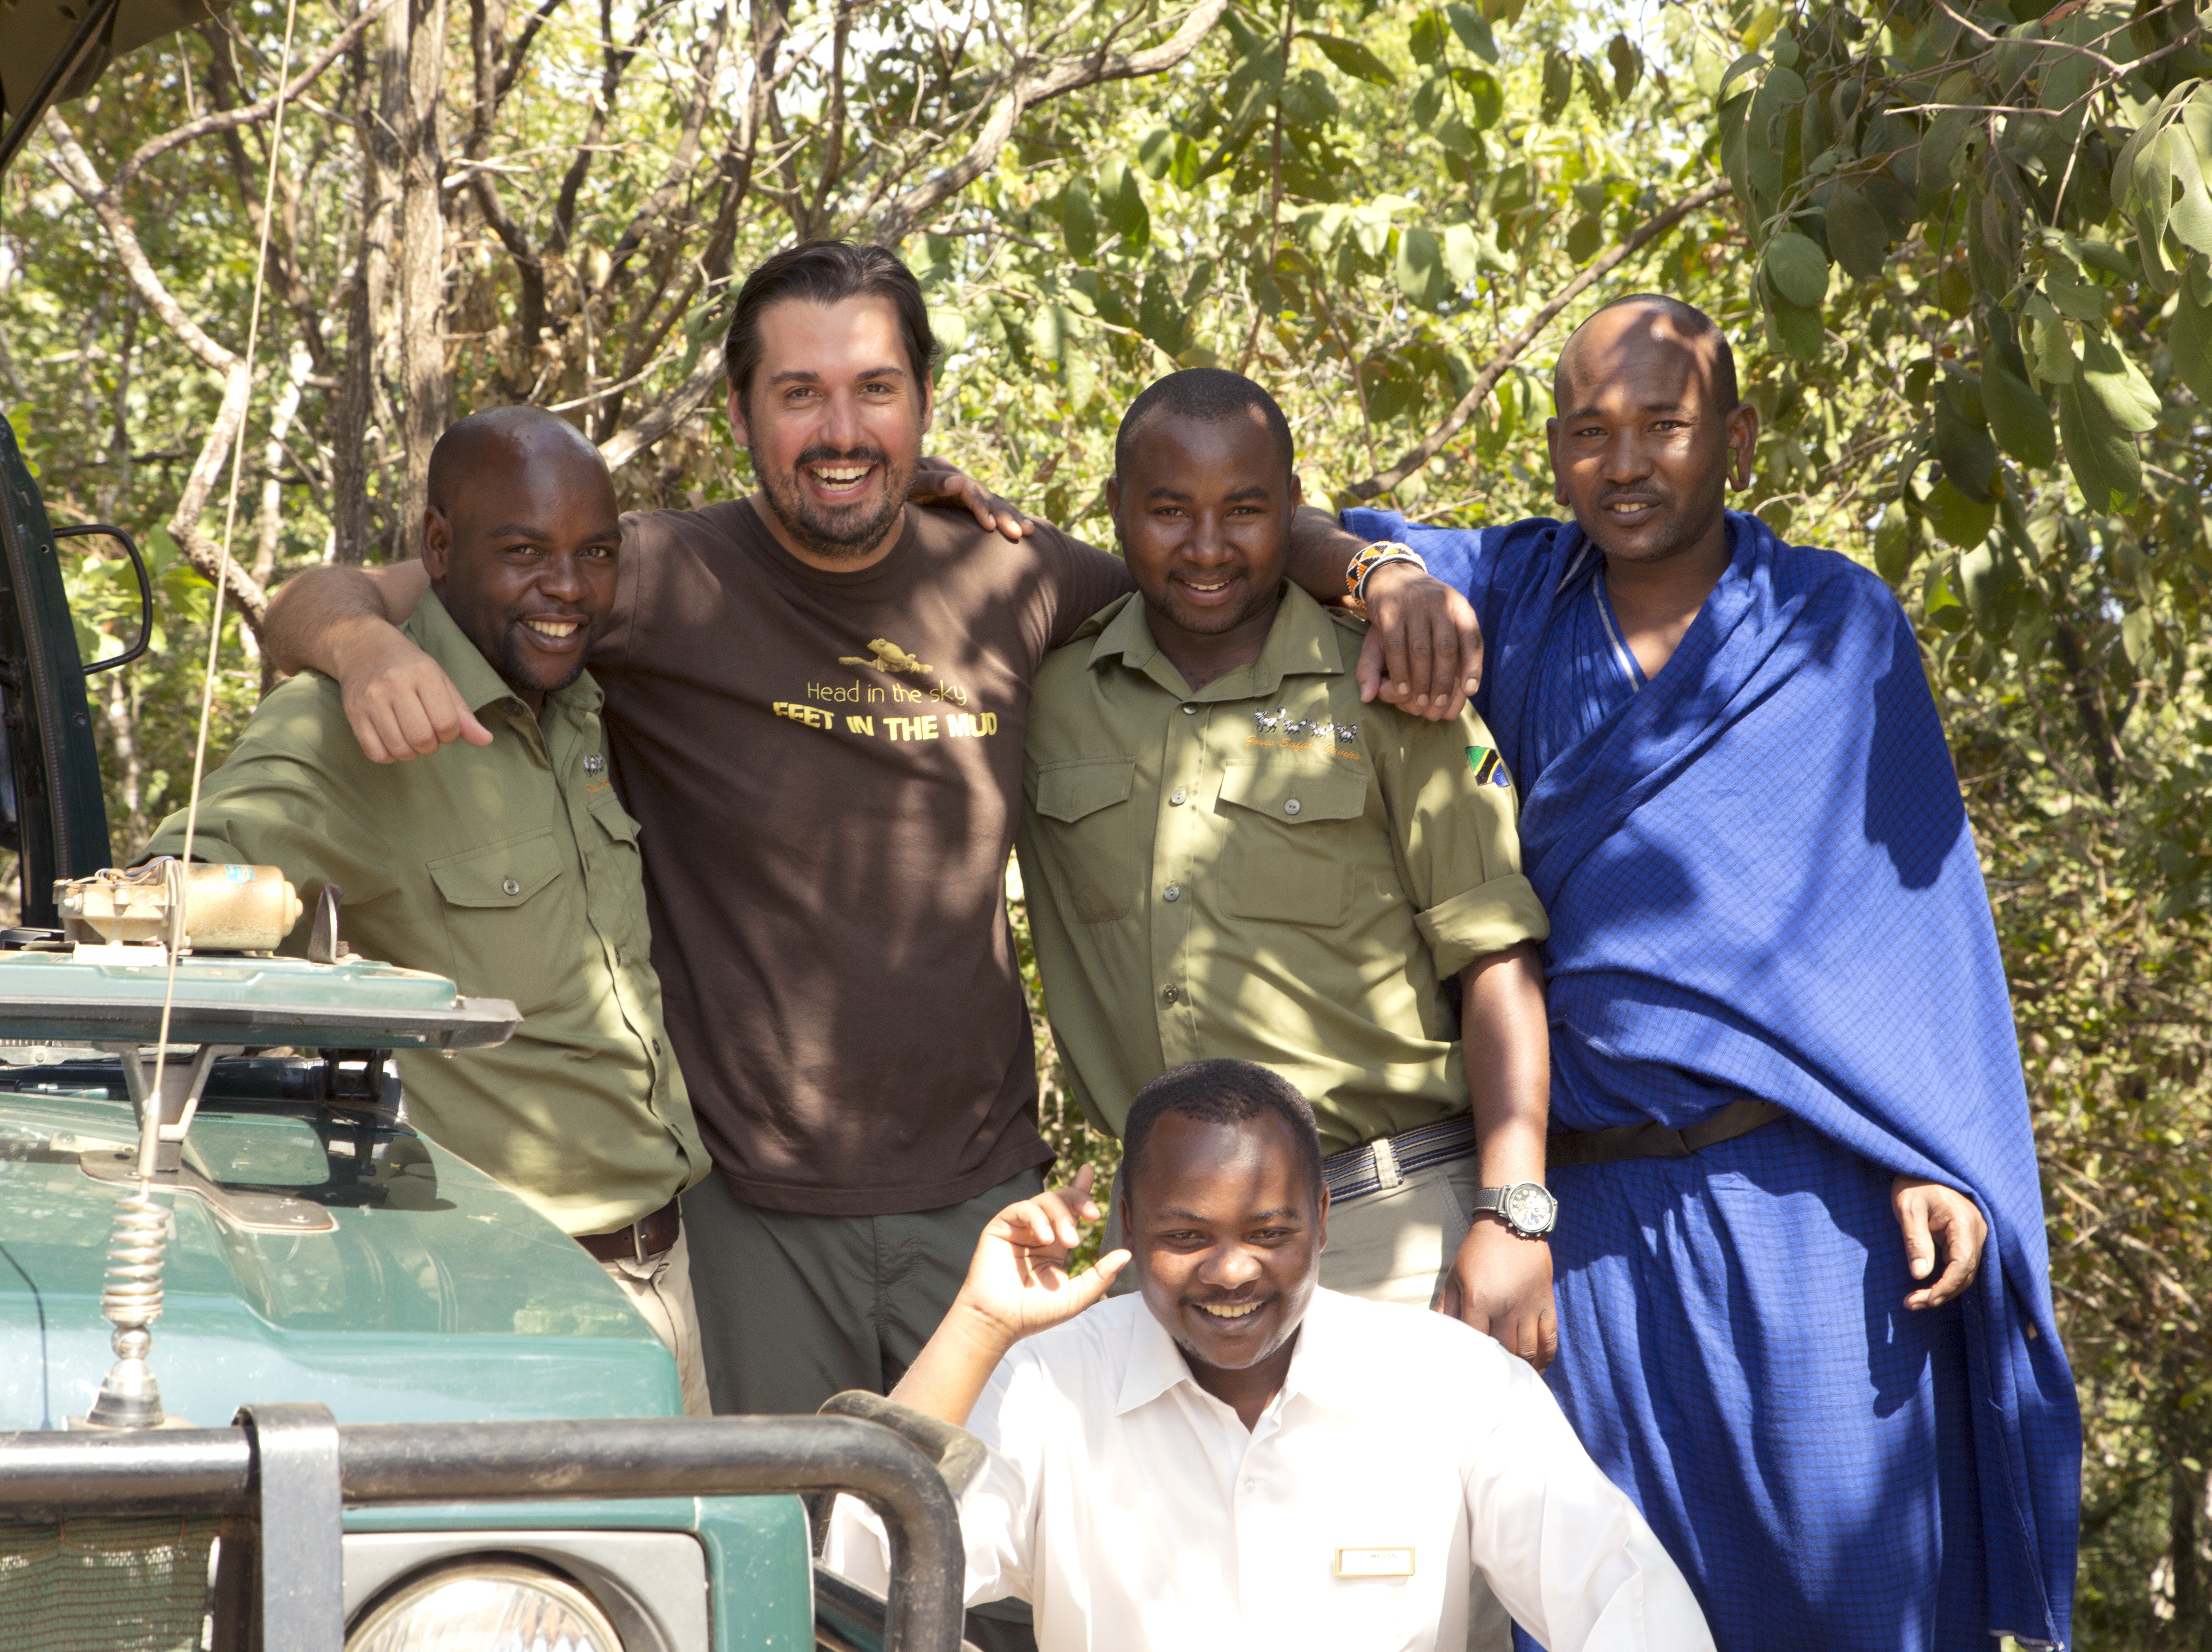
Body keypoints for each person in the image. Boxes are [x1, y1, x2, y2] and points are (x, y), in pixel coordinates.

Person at [256, 241, 1489, 1427]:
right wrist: (362, 648)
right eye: (800, 394)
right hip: (750, 1223)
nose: (841, 432)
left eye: (875, 392)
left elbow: (1221, 556)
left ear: (924, 406)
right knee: (798, 1583)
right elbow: (328, 599)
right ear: (740, 414)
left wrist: (1376, 572)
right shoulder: (647, 577)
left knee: (1013, 1586)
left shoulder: (1011, 576)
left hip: (995, 1207)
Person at [1302, 295, 2080, 1651]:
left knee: (1854, 1596)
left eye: (1663, 426)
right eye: (1590, 432)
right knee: (1608, 1605)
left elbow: (1911, 925)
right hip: (1586, 1221)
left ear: (1736, 433)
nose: (1625, 462)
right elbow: (1290, 527)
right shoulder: (1520, 594)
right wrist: (1392, 580)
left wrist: (1935, 1155)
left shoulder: (1834, 626)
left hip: (1810, 1210)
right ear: (1551, 450)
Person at [139, 407, 712, 1415]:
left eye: (595, 555)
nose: (568, 588)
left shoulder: (575, 697)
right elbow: (163, 897)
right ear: (439, 549)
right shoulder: (348, 717)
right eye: (525, 552)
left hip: (661, 1275)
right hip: (503, 1298)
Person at [1018, 369, 1558, 1375]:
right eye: (1170, 512)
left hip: (1385, 1231)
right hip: (1160, 1263)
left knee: (1401, 1538)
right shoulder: (1050, 695)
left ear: (1294, 507)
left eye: (1247, 510)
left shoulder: (1392, 684)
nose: (1209, 546)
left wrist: (1514, 1213)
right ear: (1116, 512)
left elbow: (1494, 955)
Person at [825, 1058, 1714, 1652]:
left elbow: (1626, 1597)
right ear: (1127, 1224)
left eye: (1270, 1230)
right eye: (1185, 1234)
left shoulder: (1450, 1381)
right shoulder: (1052, 1384)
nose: (1231, 1270)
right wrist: (980, 1325)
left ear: (1324, 1221)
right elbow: (865, 1581)